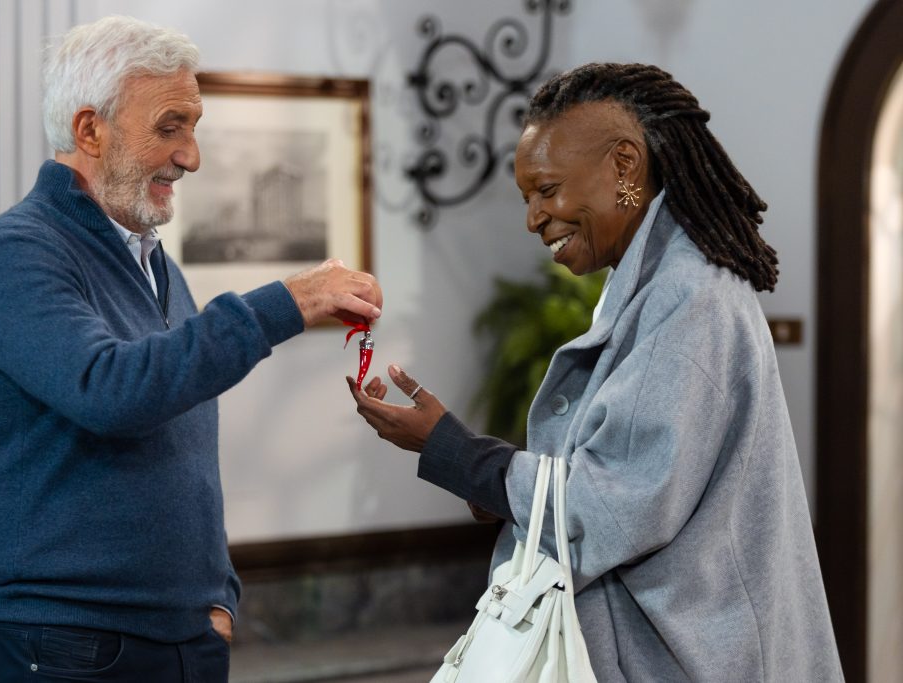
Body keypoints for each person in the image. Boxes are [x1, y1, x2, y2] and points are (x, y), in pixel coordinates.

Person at [349, 62, 842, 681]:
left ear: (625, 166)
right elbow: (626, 475)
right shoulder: (654, 282)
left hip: (693, 658)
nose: (533, 217)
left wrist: (453, 450)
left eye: (548, 190)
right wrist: (488, 481)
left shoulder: (688, 297)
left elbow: (609, 508)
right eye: (527, 197)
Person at [0, 15, 381, 683]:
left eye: (194, 126)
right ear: (88, 129)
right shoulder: (15, 252)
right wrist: (285, 303)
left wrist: (215, 598)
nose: (192, 156)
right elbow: (110, 389)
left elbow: (178, 445)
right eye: (169, 127)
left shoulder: (157, 266)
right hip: (67, 649)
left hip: (181, 641)